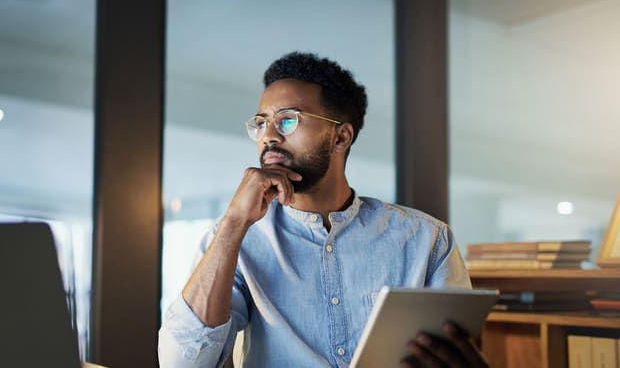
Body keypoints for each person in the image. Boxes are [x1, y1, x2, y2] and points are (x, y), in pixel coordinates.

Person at [158, 52, 488, 368]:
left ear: (341, 137)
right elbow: (183, 363)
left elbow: (456, 353)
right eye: (261, 123)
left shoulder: (427, 240)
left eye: (288, 119)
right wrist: (233, 222)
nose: (268, 135)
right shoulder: (237, 237)